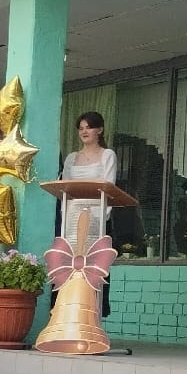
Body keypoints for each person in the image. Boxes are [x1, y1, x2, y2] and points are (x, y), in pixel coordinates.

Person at [61, 111, 120, 314]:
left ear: (100, 130)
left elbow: (108, 187)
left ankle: (94, 314)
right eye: (81, 128)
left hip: (97, 219)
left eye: (89, 127)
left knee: (94, 269)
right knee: (72, 268)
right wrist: (67, 219)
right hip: (73, 220)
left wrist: (100, 219)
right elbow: (65, 190)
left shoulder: (107, 155)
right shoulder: (71, 158)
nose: (84, 131)